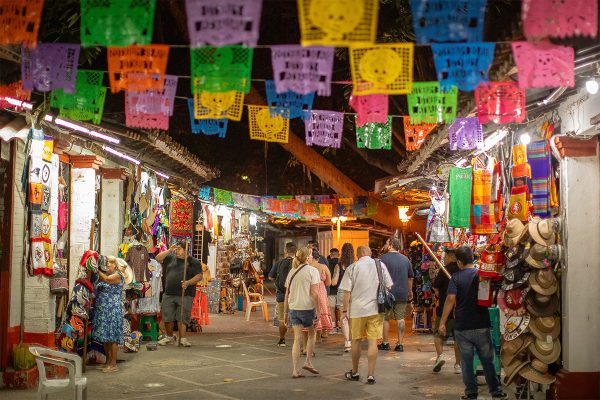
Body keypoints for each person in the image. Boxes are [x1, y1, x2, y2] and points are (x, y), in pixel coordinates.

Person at [439, 246, 507, 399]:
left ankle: (471, 393)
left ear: (459, 261)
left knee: (467, 362)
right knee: (487, 360)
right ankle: (496, 391)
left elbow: (450, 299)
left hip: (463, 326)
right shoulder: (481, 275)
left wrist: (442, 322)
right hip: (482, 323)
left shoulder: (456, 277)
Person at [339, 246, 392, 384]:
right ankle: (370, 375)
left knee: (356, 340)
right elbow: (389, 286)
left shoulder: (352, 267)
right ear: (369, 253)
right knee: (373, 341)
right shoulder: (380, 265)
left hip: (357, 311)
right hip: (375, 309)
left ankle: (355, 372)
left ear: (357, 255)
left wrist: (344, 311)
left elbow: (346, 292)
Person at [156, 241, 203, 347]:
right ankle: (169, 337)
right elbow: (158, 258)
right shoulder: (170, 258)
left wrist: (188, 282)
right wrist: (169, 250)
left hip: (185, 294)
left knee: (183, 317)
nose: (177, 251)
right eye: (176, 249)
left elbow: (199, 276)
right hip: (169, 293)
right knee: (168, 316)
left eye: (179, 249)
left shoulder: (193, 261)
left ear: (186, 250)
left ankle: (183, 338)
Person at [284, 247, 321, 379]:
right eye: (310, 255)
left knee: (297, 339)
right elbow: (315, 293)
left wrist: (285, 313)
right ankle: (308, 362)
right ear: (306, 258)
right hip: (307, 308)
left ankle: (295, 370)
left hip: (294, 308)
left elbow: (287, 294)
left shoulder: (292, 271)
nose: (311, 257)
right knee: (312, 334)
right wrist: (319, 311)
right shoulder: (313, 271)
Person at [378, 237, 413, 352]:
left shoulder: (382, 259)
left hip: (387, 293)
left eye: (387, 243)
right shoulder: (405, 259)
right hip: (402, 292)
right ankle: (400, 344)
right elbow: (410, 278)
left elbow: (378, 277)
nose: (385, 245)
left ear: (391, 245)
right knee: (401, 318)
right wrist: (410, 291)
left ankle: (385, 342)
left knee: (385, 318)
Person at [432, 248, 462, 373]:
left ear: (451, 256)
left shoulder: (444, 271)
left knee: (438, 334)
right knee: (457, 338)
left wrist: (438, 293)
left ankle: (440, 356)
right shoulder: (463, 271)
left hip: (445, 308)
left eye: (446, 256)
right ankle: (458, 365)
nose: (444, 258)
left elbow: (435, 287)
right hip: (460, 309)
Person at [92, 256, 124, 373]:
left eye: (110, 262)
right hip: (103, 309)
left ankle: (113, 363)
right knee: (105, 336)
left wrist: (95, 268)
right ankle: (107, 361)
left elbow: (106, 279)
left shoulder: (118, 275)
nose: (108, 264)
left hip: (112, 309)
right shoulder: (106, 274)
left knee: (112, 336)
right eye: (107, 262)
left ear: (115, 265)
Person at [268, 242, 296, 347]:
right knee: (296, 319)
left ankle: (282, 340)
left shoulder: (279, 262)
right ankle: (297, 341)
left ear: (286, 251)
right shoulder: (299, 264)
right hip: (295, 295)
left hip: (281, 294)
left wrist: (277, 280)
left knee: (282, 318)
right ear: (296, 252)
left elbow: (270, 277)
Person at [309, 248, 332, 338]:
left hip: (310, 290)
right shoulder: (323, 267)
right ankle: (323, 332)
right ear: (318, 258)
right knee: (322, 309)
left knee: (312, 310)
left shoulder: (307, 267)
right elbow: (328, 283)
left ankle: (312, 333)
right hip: (321, 290)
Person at [336, 243, 354, 352]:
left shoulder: (339, 265)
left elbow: (334, 281)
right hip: (353, 292)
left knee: (343, 318)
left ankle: (347, 341)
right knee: (352, 318)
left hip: (342, 292)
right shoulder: (355, 265)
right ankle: (352, 340)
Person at [327, 248, 340, 333]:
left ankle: (333, 328)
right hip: (341, 290)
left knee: (331, 309)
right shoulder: (341, 263)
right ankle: (341, 327)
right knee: (340, 309)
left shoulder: (327, 263)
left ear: (330, 254)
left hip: (331, 290)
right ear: (338, 255)